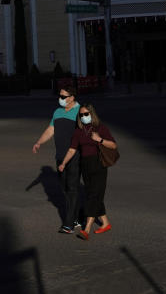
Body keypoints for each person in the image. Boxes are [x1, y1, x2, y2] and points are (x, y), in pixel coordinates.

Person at [59, 103, 116, 240]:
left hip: (99, 164)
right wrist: (63, 163)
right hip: (85, 165)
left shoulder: (100, 128)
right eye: (81, 115)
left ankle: (87, 229)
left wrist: (100, 139)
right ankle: (106, 223)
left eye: (86, 114)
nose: (84, 116)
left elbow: (113, 145)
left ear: (92, 114)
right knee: (93, 194)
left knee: (93, 196)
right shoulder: (78, 131)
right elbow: (72, 149)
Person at [32, 84, 82, 233]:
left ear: (72, 98)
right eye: (59, 96)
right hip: (60, 156)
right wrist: (39, 142)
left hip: (74, 155)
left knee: (72, 188)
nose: (60, 99)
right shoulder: (57, 112)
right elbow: (50, 129)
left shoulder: (80, 112)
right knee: (65, 188)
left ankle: (68, 224)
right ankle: (76, 217)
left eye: (63, 97)